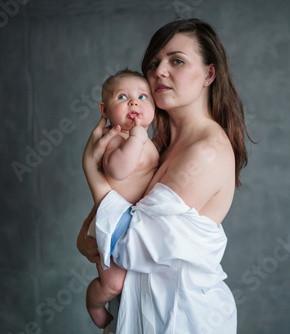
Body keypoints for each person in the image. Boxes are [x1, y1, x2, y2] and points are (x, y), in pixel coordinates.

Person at [77, 18, 251, 333]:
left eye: (177, 61)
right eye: (154, 63)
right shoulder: (159, 145)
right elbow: (118, 217)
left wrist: (93, 173)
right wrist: (87, 235)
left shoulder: (206, 151)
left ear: (208, 74)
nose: (159, 71)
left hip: (180, 318)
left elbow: (134, 245)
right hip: (143, 309)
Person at [84, 68, 159, 329]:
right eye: (122, 97)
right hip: (113, 223)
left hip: (134, 226)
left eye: (142, 96)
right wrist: (137, 138)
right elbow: (117, 170)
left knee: (129, 281)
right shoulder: (115, 140)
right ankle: (93, 303)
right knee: (113, 284)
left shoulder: (150, 141)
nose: (133, 102)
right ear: (104, 111)